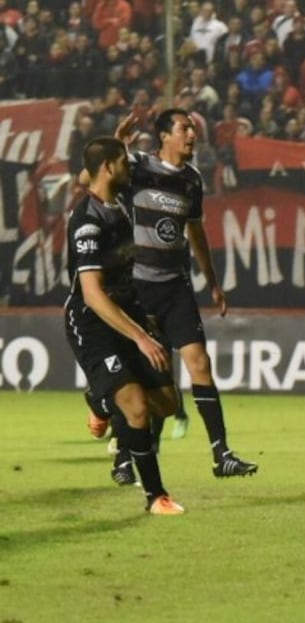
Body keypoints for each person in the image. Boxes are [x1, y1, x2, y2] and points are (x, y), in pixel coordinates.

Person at [105, 109, 258, 481]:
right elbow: (97, 176)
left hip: (175, 286)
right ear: (164, 137)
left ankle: (221, 453)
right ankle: (126, 456)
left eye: (192, 128)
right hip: (138, 287)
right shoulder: (139, 165)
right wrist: (118, 141)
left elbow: (196, 233)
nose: (192, 134)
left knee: (199, 363)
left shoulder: (191, 180)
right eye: (184, 128)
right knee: (147, 377)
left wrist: (214, 282)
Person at [65, 136, 184, 515]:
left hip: (129, 311)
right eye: (123, 162)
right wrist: (141, 338)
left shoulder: (116, 199)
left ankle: (99, 397)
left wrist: (116, 138)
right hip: (93, 319)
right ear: (109, 168)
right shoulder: (87, 222)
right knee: (134, 406)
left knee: (166, 404)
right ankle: (156, 497)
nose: (129, 168)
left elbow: (92, 165)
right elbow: (93, 295)